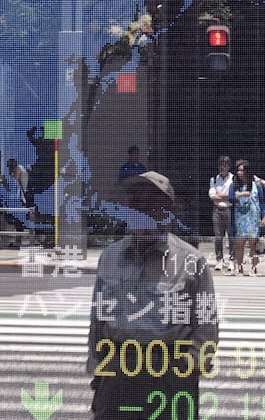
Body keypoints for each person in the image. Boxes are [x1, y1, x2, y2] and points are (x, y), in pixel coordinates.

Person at [87, 171, 218, 419]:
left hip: (169, 373)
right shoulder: (110, 257)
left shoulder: (192, 261)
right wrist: (100, 373)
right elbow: (97, 321)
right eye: (137, 203)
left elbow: (206, 326)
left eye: (153, 204)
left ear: (169, 210)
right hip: (118, 370)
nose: (144, 212)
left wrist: (187, 371)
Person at [229, 160, 265, 276]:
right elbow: (230, 198)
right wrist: (240, 195)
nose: (240, 173)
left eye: (242, 170)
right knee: (239, 244)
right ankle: (239, 268)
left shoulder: (257, 185)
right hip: (240, 218)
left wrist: (264, 217)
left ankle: (254, 268)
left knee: (253, 244)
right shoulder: (234, 185)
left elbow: (261, 202)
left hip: (253, 217)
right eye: (238, 170)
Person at [207, 155, 234, 272]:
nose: (223, 167)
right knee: (218, 237)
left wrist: (221, 196)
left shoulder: (233, 178)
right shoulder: (214, 178)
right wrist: (224, 196)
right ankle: (219, 259)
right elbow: (212, 195)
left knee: (231, 236)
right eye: (221, 165)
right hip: (217, 209)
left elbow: (232, 195)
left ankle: (232, 260)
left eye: (225, 165)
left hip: (229, 209)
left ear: (229, 166)